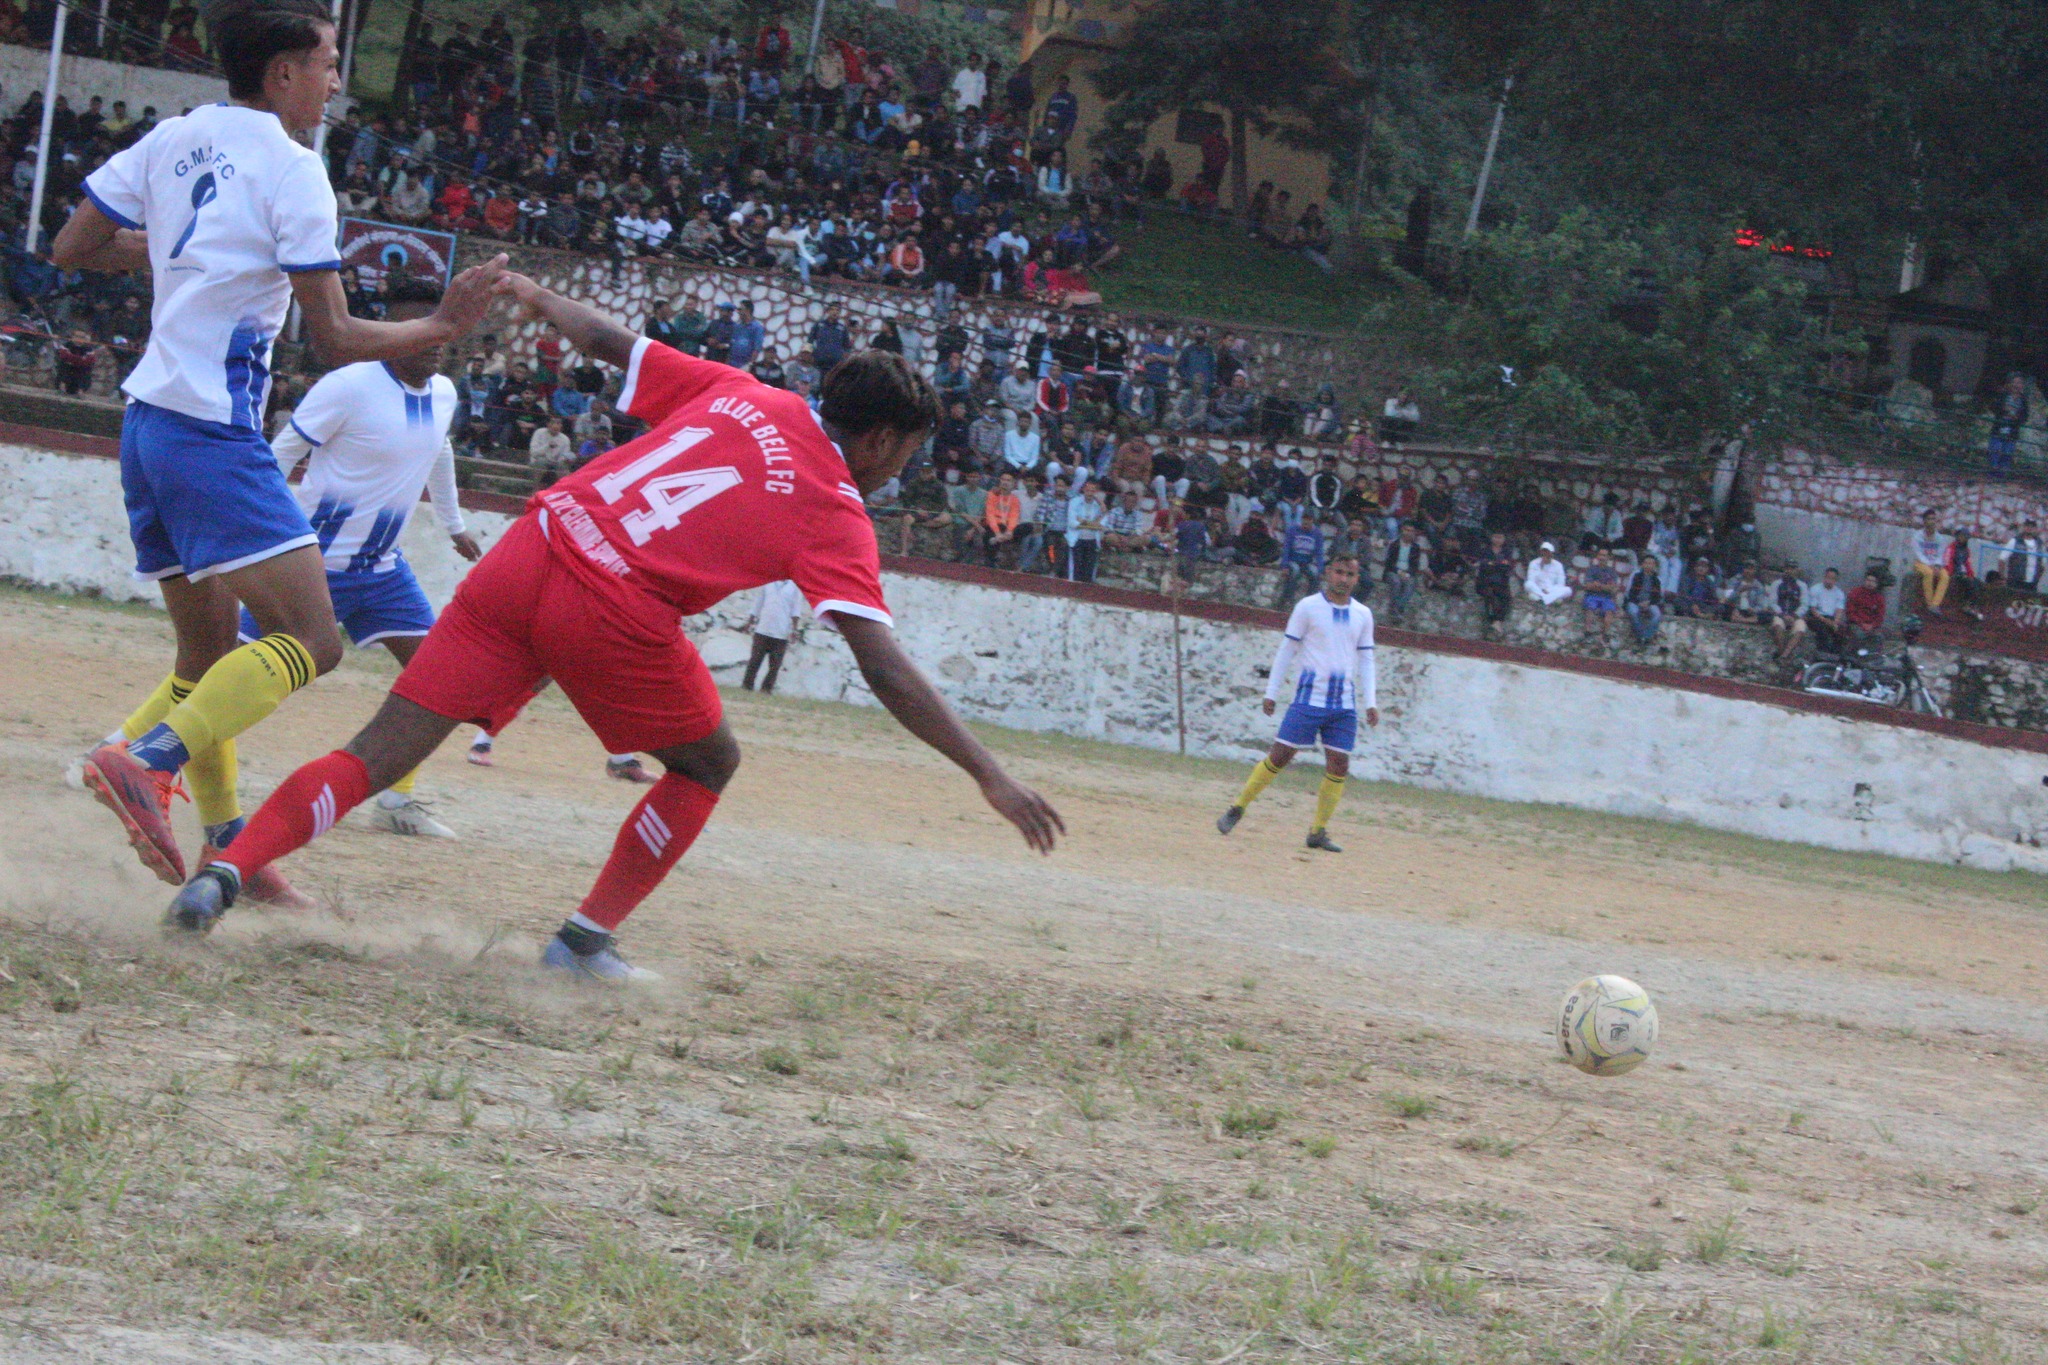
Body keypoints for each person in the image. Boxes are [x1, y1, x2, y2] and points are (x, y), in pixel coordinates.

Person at [163, 275, 1065, 979]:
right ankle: (584, 943)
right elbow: (885, 668)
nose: (897, 473)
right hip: (613, 605)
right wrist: (989, 772)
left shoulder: (745, 393)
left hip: (536, 544)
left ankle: (226, 870)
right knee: (709, 763)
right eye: (904, 456)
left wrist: (531, 294)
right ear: (877, 442)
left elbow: (605, 339)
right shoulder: (835, 504)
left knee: (380, 750)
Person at [57, 0, 503, 889]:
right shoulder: (296, 170)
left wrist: (194, 256)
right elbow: (333, 338)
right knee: (315, 637)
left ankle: (231, 850)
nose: (337, 83)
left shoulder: (173, 137)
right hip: (210, 431)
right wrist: (439, 323)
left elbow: (73, 246)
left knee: (207, 659)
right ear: (284, 73)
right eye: (330, 63)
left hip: (145, 426)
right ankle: (145, 760)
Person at [233, 274, 484, 846]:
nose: (440, 341)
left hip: (383, 571)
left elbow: (439, 452)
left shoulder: (442, 393)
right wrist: (257, 525)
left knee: (441, 679)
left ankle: (395, 801)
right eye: (428, 330)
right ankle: (135, 752)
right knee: (225, 671)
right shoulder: (348, 385)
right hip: (311, 567)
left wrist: (454, 525)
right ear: (395, 334)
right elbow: (283, 452)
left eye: (447, 330)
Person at [1216, 555, 1378, 854]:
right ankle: (1237, 807)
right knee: (1280, 756)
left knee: (1340, 764)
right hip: (1308, 699)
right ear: (1328, 573)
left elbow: (1366, 657)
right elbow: (1287, 649)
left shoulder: (1363, 614)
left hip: (1343, 704)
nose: (1344, 578)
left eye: (1350, 574)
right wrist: (1271, 691)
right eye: (1339, 572)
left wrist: (1371, 701)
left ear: (1357, 578)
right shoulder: (1307, 607)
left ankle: (1318, 831)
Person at [742, 579, 805, 693]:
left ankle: (766, 689)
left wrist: (794, 630)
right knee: (755, 660)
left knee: (775, 665)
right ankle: (747, 686)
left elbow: (796, 610)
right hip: (763, 629)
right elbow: (758, 603)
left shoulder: (795, 587)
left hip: (781, 632)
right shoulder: (768, 582)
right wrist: (750, 621)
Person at [1909, 509, 1952, 614]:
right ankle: (1929, 604)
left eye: (1934, 519)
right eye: (1929, 519)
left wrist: (1937, 565)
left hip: (1935, 564)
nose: (1932, 521)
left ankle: (1935, 604)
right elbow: (1919, 554)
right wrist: (1930, 565)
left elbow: (1940, 554)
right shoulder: (1917, 536)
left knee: (1945, 576)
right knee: (1928, 573)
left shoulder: (1940, 538)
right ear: (1924, 521)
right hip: (1920, 563)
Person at [1804, 567, 1848, 654]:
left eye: (1832, 578)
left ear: (1836, 580)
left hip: (1831, 618)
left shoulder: (1839, 593)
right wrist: (1826, 621)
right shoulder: (1815, 589)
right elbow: (1813, 610)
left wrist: (1835, 622)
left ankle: (1835, 656)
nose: (1829, 580)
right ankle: (1822, 654)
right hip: (1816, 617)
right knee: (1822, 629)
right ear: (1824, 577)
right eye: (1828, 577)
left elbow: (1839, 610)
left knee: (1841, 631)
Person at [1624, 554, 1665, 646]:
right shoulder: (1635, 575)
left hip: (1650, 603)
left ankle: (1646, 636)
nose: (1648, 565)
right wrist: (1639, 602)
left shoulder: (1658, 580)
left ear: (1654, 566)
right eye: (1646, 563)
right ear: (1642, 565)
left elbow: (1659, 596)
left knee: (1657, 615)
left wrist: (1649, 602)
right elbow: (1628, 592)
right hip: (1635, 601)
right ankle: (1640, 635)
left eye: (1651, 563)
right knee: (1633, 612)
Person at [1845, 570, 1887, 647]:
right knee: (1859, 635)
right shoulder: (1855, 592)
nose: (1870, 583)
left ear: (1876, 584)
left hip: (1872, 626)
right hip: (1856, 624)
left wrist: (1872, 625)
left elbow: (1880, 616)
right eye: (1868, 580)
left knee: (1879, 637)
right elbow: (1850, 612)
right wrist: (1862, 624)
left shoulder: (1879, 597)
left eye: (1873, 581)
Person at [1525, 542, 1570, 606]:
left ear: (1552, 553)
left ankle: (1543, 600)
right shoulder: (1533, 563)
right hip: (1538, 590)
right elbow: (1531, 580)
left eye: (1548, 552)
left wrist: (1549, 590)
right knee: (1528, 584)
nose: (1546, 554)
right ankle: (1546, 599)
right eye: (1544, 551)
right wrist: (1542, 567)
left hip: (1552, 591)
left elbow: (1561, 583)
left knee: (1568, 590)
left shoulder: (1558, 565)